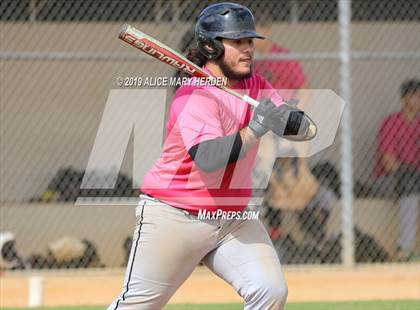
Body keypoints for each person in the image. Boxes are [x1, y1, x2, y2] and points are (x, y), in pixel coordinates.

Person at [108, 3, 314, 309]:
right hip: (175, 216)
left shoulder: (256, 85)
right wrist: (255, 128)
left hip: (233, 218)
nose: (248, 49)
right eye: (237, 42)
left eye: (249, 41)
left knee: (270, 291)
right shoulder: (194, 94)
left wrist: (284, 117)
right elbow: (209, 157)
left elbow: (305, 130)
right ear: (210, 46)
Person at [374, 78, 420, 260]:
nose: (418, 100)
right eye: (414, 96)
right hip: (388, 180)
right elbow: (389, 164)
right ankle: (404, 250)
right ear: (404, 98)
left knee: (412, 183)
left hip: (414, 179)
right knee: (410, 183)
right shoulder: (392, 122)